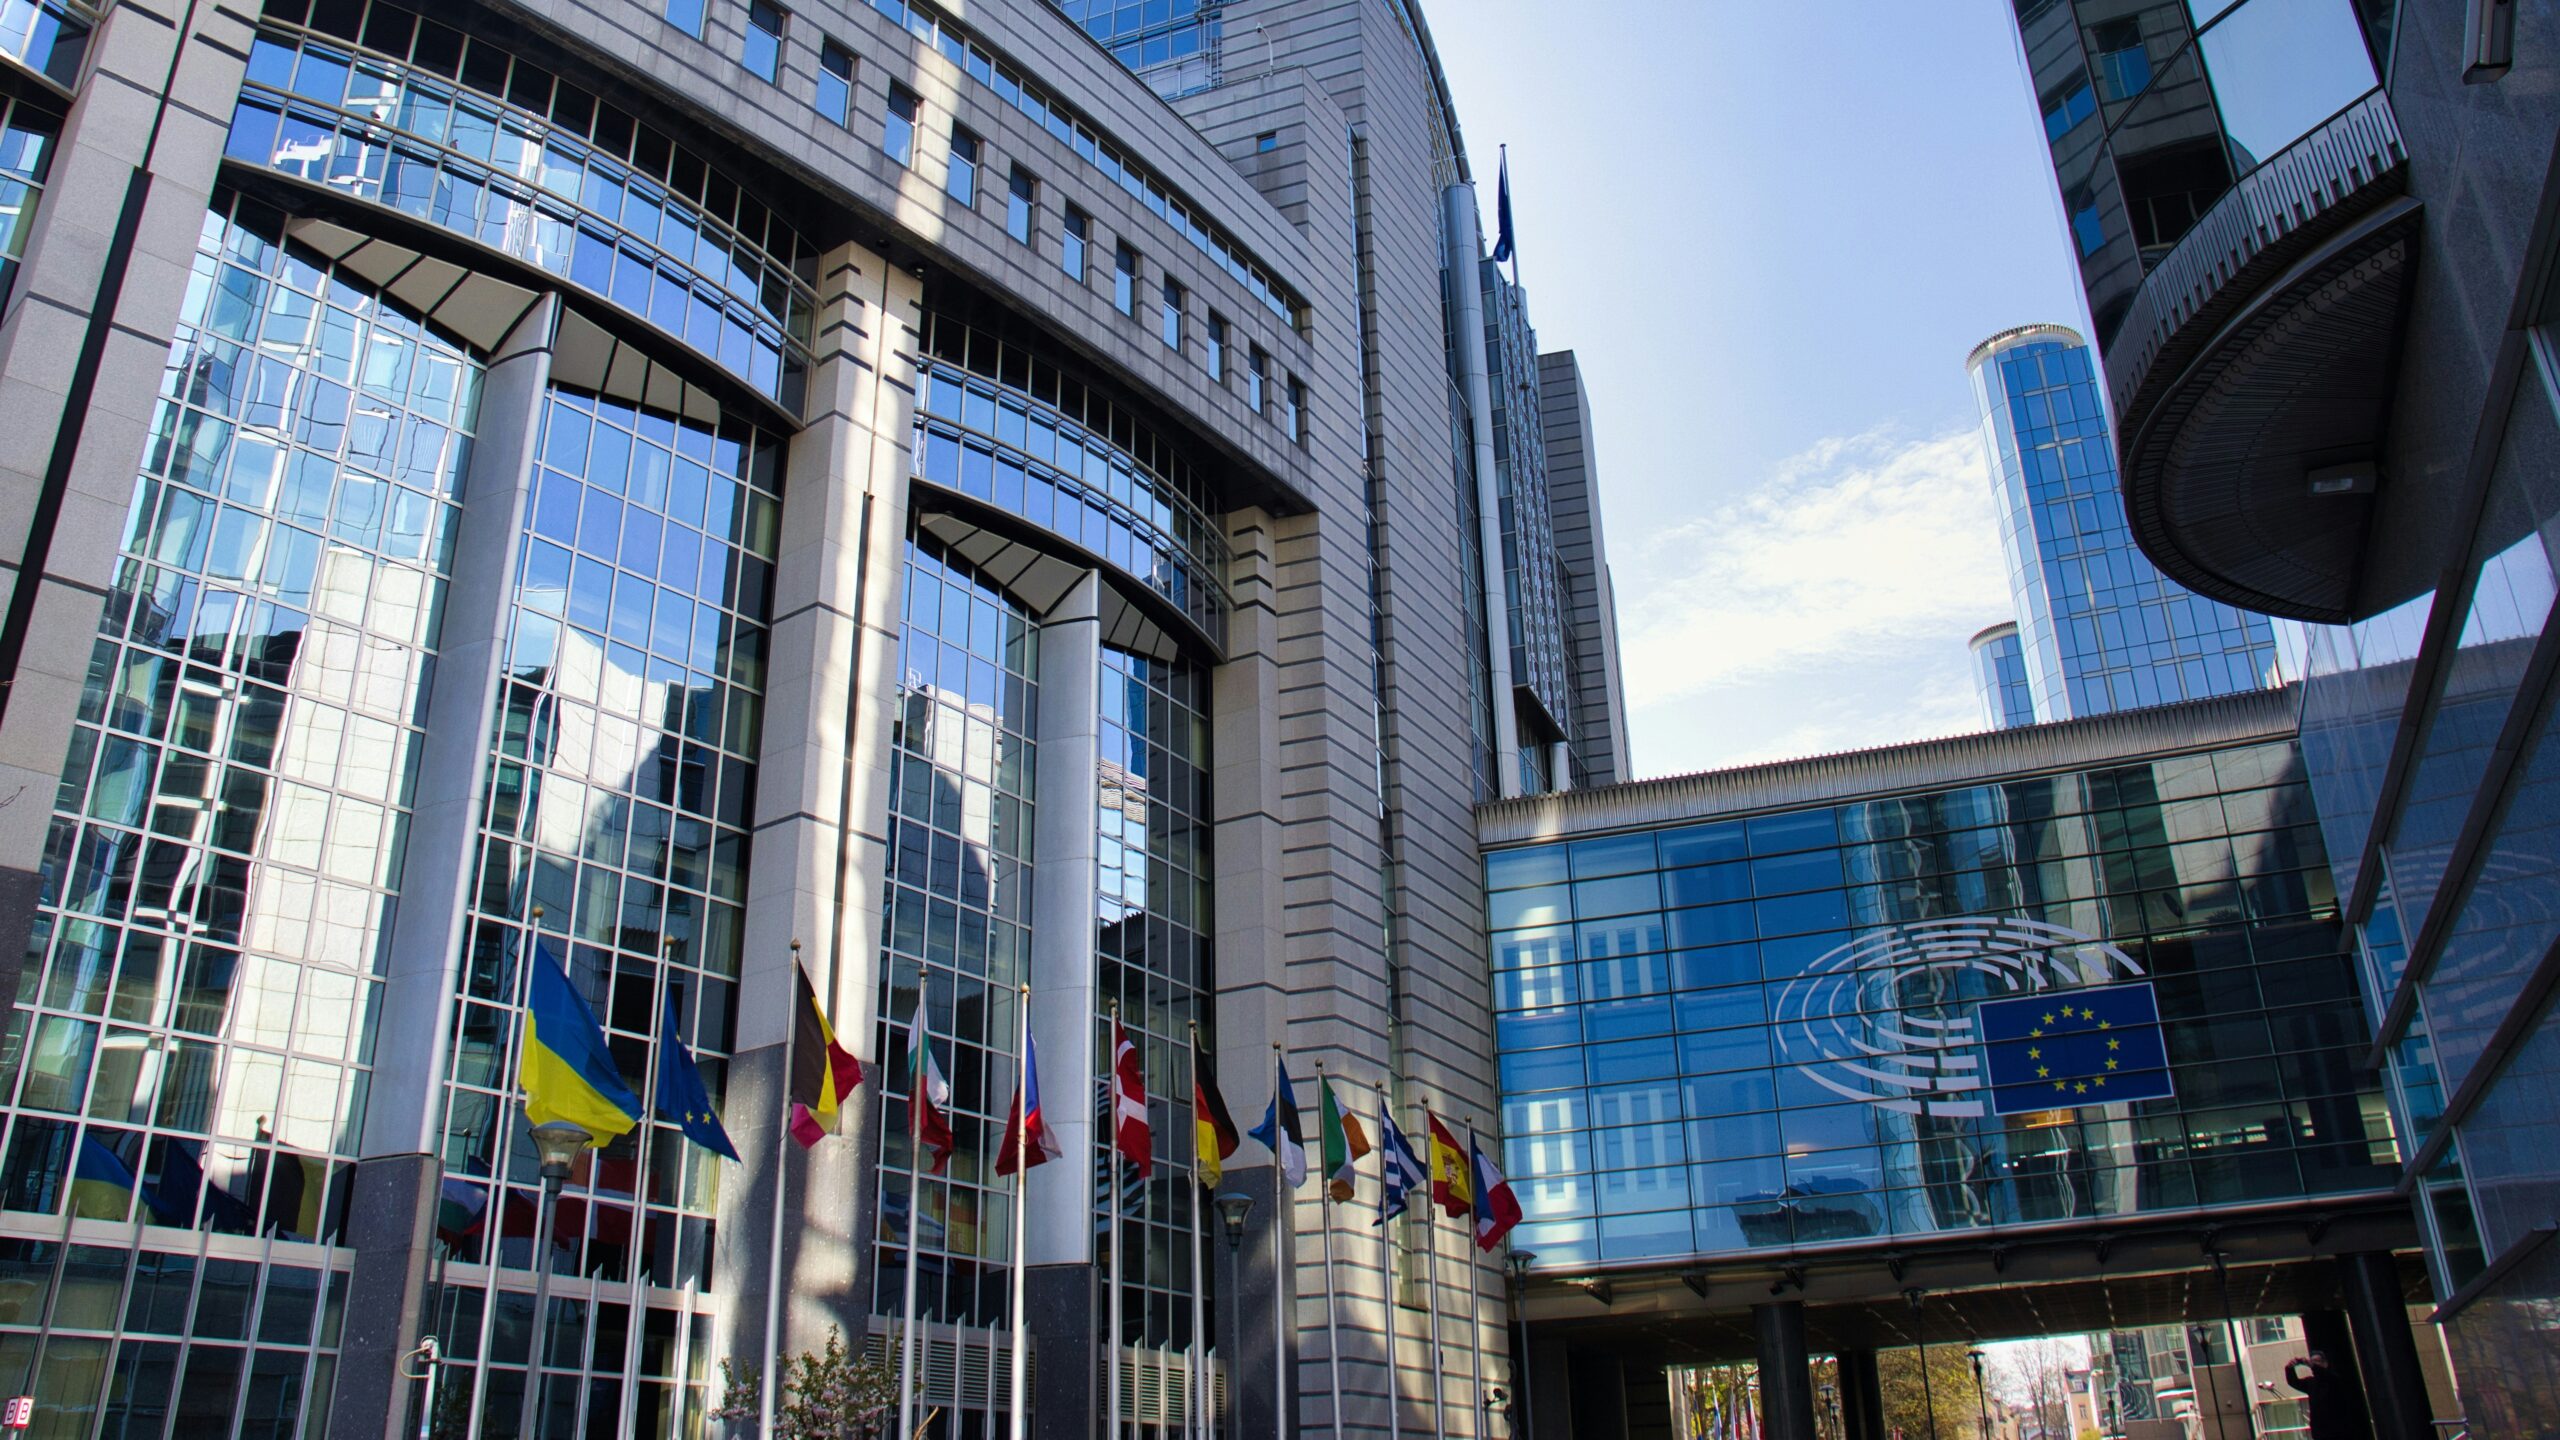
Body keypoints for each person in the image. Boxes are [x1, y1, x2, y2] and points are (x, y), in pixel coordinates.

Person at [2283, 1350, 2356, 1440]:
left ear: (2325, 1363)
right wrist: (2290, 1368)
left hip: (2338, 1429)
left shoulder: (2333, 1379)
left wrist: (2312, 1366)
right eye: (2312, 1361)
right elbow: (2294, 1382)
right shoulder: (2311, 1382)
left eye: (2317, 1361)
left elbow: (2324, 1375)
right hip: (2320, 1431)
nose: (2314, 1364)